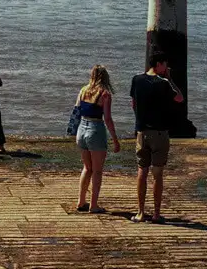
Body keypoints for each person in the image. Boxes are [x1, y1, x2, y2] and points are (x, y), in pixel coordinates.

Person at [130, 51, 184, 223]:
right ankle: (156, 213)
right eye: (165, 65)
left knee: (142, 171)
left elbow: (133, 103)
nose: (166, 68)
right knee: (158, 173)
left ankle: (140, 212)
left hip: (142, 131)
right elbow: (179, 98)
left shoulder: (136, 79)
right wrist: (170, 78)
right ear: (159, 64)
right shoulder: (164, 83)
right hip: (160, 132)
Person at [74, 65, 121, 214]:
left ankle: (81, 201)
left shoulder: (83, 90)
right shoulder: (105, 94)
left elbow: (76, 111)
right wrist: (115, 139)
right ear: (105, 77)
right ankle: (93, 205)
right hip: (95, 129)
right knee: (97, 171)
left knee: (87, 168)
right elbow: (107, 118)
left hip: (81, 128)